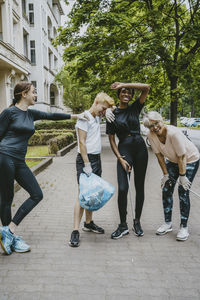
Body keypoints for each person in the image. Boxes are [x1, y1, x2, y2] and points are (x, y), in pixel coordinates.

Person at [0, 81, 88, 255]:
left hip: (19, 160)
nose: (36, 95)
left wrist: (76, 116)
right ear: (23, 94)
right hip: (5, 156)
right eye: (33, 92)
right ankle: (8, 237)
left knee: (37, 194)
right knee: (7, 197)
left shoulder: (30, 114)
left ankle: (8, 231)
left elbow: (52, 116)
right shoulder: (9, 113)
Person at [143, 111, 199, 241]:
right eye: (151, 126)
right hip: (172, 160)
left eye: (156, 123)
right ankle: (167, 223)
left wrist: (183, 176)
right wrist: (165, 175)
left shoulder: (174, 133)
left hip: (189, 159)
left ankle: (184, 227)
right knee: (167, 188)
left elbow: (182, 156)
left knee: (183, 191)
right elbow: (159, 156)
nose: (154, 128)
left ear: (161, 120)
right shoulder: (151, 135)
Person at [69, 92, 115, 247]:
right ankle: (75, 230)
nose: (103, 112)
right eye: (103, 108)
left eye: (105, 110)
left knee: (93, 193)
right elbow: (82, 142)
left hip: (97, 159)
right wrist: (87, 164)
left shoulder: (97, 116)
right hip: (85, 159)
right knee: (82, 194)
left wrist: (109, 109)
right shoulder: (85, 117)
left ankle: (88, 223)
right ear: (96, 102)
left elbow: (113, 108)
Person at [106, 81, 150, 239]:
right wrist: (120, 158)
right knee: (123, 188)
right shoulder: (111, 114)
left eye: (129, 92)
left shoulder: (135, 107)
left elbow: (146, 88)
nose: (126, 94)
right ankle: (123, 225)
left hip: (140, 148)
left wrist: (123, 84)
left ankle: (137, 221)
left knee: (139, 187)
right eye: (123, 92)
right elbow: (111, 140)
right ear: (118, 95)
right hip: (124, 149)